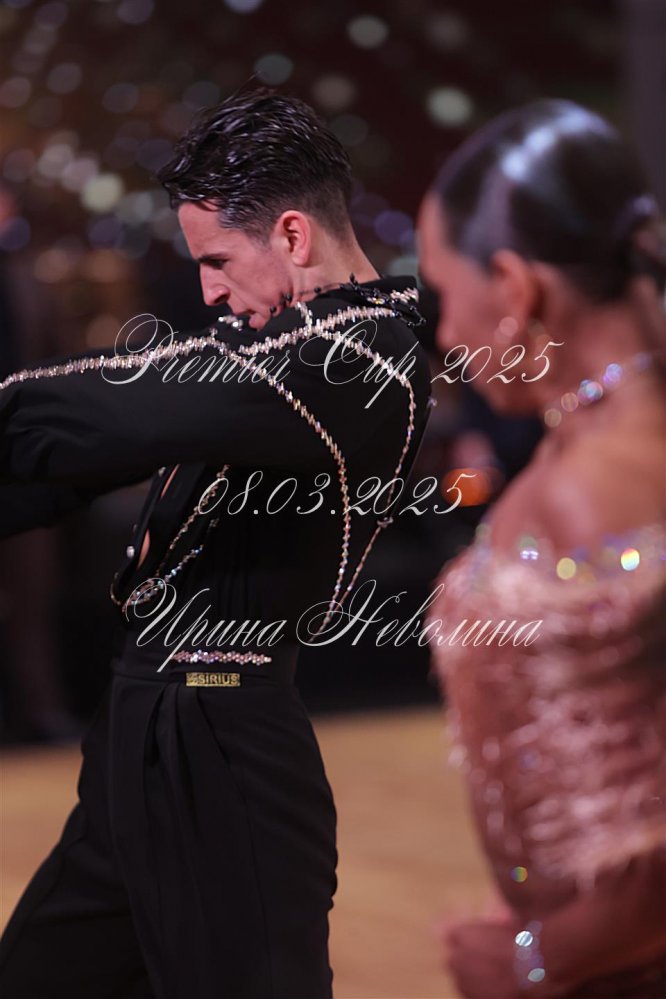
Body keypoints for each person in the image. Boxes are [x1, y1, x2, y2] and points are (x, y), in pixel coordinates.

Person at [0, 89, 431, 999]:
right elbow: (86, 457)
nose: (208, 291)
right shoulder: (274, 344)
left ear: (293, 235)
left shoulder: (366, 357)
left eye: (217, 260)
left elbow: (124, 406)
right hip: (143, 732)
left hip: (225, 745)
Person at [418, 99, 666, 997]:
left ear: (514, 287)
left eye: (444, 293)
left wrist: (534, 960)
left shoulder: (587, 489)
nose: (446, 334)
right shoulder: (592, 454)